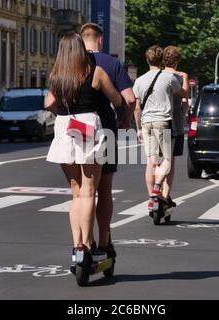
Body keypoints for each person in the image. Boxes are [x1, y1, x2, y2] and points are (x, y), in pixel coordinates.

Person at [44, 32, 122, 265]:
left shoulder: (56, 76)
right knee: (90, 191)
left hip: (64, 127)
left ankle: (76, 244)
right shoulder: (94, 72)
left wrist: (63, 113)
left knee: (76, 193)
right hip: (88, 125)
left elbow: (48, 103)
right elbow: (116, 99)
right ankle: (88, 246)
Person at [80, 23, 136, 255]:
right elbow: (130, 99)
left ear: (81, 39)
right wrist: (126, 120)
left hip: (75, 130)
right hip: (106, 130)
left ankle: (83, 243)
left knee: (82, 192)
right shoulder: (112, 63)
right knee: (104, 190)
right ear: (100, 40)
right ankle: (104, 241)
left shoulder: (69, 62)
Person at [133, 45, 181, 212]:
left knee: (151, 162)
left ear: (147, 60)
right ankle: (157, 187)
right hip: (163, 121)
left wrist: (138, 128)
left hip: (146, 123)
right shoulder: (169, 78)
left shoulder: (139, 81)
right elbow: (181, 95)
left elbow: (136, 108)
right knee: (167, 159)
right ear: (162, 60)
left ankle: (151, 198)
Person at [161, 46, 189, 207]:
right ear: (177, 61)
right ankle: (165, 194)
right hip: (174, 124)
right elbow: (184, 97)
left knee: (156, 161)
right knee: (169, 161)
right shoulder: (178, 77)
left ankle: (155, 192)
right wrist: (185, 77)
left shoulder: (157, 75)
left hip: (154, 122)